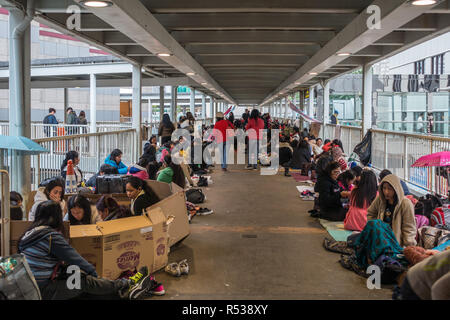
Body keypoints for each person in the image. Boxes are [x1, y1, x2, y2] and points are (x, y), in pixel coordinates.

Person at [19, 200, 155, 300]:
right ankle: (128, 284)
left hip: (30, 287)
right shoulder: (50, 236)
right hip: (44, 290)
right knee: (83, 281)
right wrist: (93, 273)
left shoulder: (29, 233)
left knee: (81, 281)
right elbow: (73, 257)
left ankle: (123, 289)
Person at [366, 173, 417, 247]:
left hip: (397, 243)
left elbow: (409, 228)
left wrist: (409, 246)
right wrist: (376, 228)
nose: (386, 192)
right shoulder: (380, 199)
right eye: (384, 188)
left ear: (396, 189)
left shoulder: (405, 203)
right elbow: (371, 213)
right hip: (380, 238)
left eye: (389, 189)